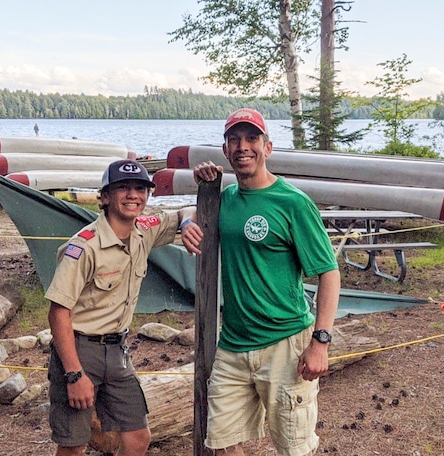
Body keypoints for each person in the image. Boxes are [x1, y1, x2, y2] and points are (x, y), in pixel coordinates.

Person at [190, 108, 341, 456]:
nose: (243, 146)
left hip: (285, 344)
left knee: (294, 448)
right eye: (234, 140)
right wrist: (190, 213)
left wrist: (321, 341)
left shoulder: (293, 203)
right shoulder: (224, 199)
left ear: (267, 147)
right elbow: (193, 213)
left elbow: (329, 273)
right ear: (225, 151)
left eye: (251, 138)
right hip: (233, 345)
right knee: (223, 442)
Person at [45, 159, 200, 456]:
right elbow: (58, 312)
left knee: (138, 436)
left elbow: (183, 210)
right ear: (104, 197)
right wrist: (74, 375)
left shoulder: (144, 229)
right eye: (123, 188)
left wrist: (187, 222)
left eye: (140, 188)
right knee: (74, 443)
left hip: (117, 352)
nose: (133, 195)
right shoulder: (85, 247)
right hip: (79, 351)